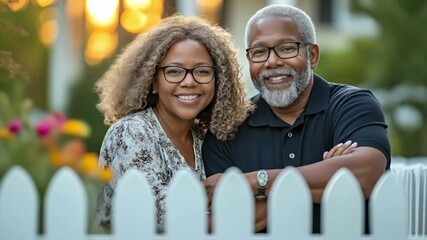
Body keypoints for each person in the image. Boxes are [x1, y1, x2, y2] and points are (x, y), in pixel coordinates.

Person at [202, 4, 390, 234]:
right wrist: (325, 174)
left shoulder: (351, 105)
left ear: (312, 55)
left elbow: (364, 173)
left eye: (286, 48)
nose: (272, 62)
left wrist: (254, 183)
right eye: (260, 52)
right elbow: (229, 220)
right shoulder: (228, 127)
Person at [94, 14, 254, 232]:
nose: (189, 81)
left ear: (219, 81)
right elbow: (169, 221)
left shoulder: (204, 137)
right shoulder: (131, 132)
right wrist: (263, 208)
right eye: (174, 71)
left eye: (203, 71)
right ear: (153, 81)